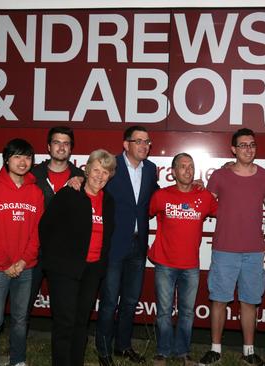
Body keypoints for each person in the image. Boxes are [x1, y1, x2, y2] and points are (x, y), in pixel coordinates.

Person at [198, 128, 265, 366]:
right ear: (233, 149)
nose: (248, 149)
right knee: (219, 300)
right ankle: (215, 350)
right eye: (243, 145)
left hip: (254, 252)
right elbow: (205, 206)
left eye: (251, 144)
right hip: (224, 249)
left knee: (250, 302)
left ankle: (249, 352)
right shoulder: (220, 176)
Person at [40, 149, 117, 366]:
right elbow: (46, 227)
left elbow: (108, 235)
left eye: (105, 172)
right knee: (65, 323)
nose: (100, 176)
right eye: (96, 170)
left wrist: (100, 266)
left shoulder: (109, 201)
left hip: (92, 270)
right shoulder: (69, 193)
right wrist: (56, 259)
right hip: (64, 270)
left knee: (81, 322)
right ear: (86, 170)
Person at [95, 126, 159, 366]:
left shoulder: (151, 169)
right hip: (113, 245)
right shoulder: (111, 165)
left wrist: (184, 188)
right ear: (126, 144)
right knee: (110, 301)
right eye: (138, 141)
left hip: (138, 245)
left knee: (131, 301)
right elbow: (94, 184)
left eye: (147, 142)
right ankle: (103, 350)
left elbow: (155, 197)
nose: (144, 146)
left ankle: (123, 346)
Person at [0, 138, 44, 366]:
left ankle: (18, 360)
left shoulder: (36, 192)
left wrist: (24, 261)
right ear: (7, 160)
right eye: (17, 156)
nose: (23, 162)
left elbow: (37, 232)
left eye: (27, 157)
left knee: (20, 319)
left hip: (26, 268)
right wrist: (6, 263)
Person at [148, 153, 218, 366]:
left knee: (187, 313)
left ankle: (182, 352)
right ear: (173, 172)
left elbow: (225, 213)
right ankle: (163, 351)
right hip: (164, 263)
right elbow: (144, 214)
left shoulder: (204, 197)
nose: (188, 170)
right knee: (164, 312)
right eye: (183, 166)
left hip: (191, 266)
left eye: (191, 166)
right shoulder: (161, 196)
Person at [28, 126, 84, 316]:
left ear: (71, 148)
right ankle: (17, 345)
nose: (61, 147)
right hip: (34, 249)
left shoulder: (81, 178)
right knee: (24, 304)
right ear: (48, 147)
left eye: (66, 143)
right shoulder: (32, 176)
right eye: (56, 142)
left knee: (64, 308)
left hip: (65, 253)